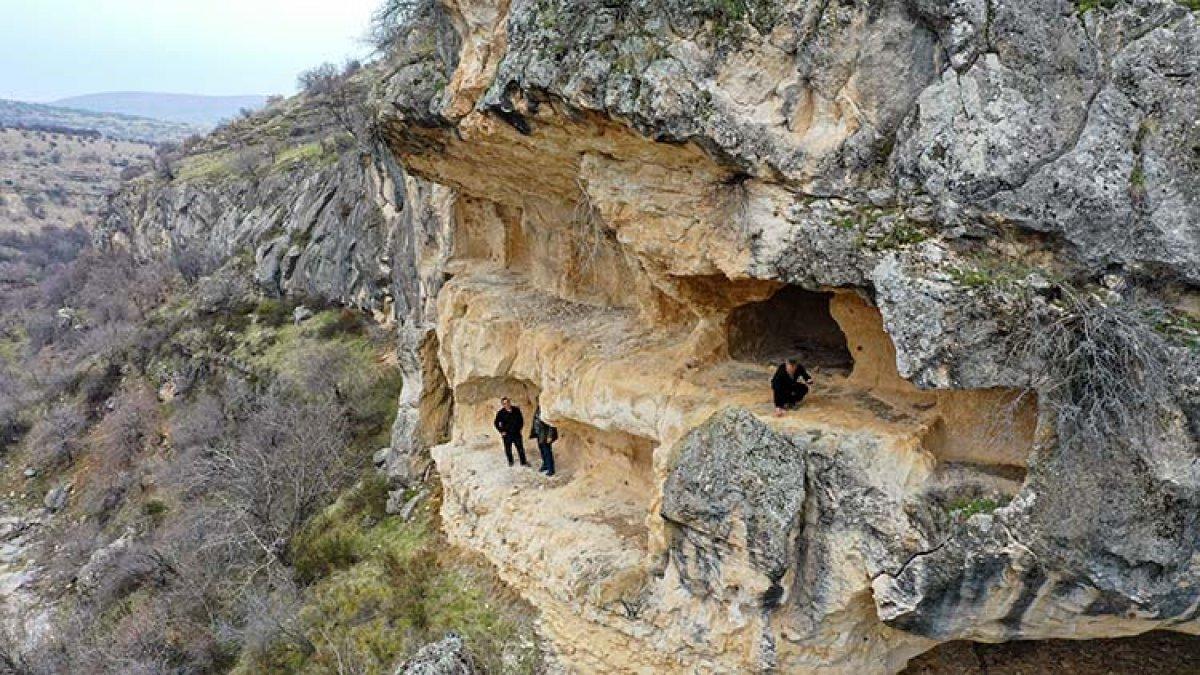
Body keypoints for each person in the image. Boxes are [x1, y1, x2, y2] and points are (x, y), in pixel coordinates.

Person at [493, 397, 528, 466]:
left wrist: (519, 428)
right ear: (503, 404)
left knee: (520, 448)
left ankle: (523, 462)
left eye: (508, 402)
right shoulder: (501, 413)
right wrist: (501, 431)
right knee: (508, 449)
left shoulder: (516, 410)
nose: (507, 404)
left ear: (510, 402)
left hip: (516, 433)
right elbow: (496, 423)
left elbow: (521, 420)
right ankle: (510, 461)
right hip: (507, 434)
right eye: (504, 403)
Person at [530, 407, 559, 476]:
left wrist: (550, 436)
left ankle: (551, 469)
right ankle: (545, 465)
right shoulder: (537, 408)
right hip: (539, 434)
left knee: (547, 452)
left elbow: (551, 424)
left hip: (545, 434)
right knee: (542, 451)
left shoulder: (546, 409)